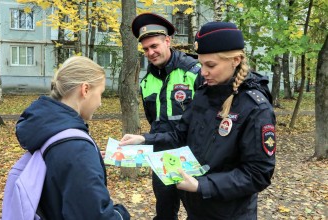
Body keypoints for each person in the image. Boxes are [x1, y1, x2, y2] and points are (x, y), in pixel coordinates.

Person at [120, 21, 276, 219]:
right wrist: (144, 139)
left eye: (210, 65)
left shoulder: (254, 107)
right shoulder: (204, 93)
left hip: (229, 213)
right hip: (196, 209)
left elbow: (258, 174)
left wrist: (201, 185)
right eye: (201, 64)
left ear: (235, 60)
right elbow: (180, 135)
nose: (202, 72)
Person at [15, 56, 130, 220]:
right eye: (101, 93)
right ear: (85, 89)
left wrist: (90, 162)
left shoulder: (50, 128)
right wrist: (121, 213)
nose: (100, 103)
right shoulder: (76, 148)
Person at [131, 12, 203, 220]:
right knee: (164, 213)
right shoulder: (146, 82)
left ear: (168, 41)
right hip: (162, 158)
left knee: (198, 212)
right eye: (145, 49)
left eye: (154, 46)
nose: (150, 53)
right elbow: (154, 123)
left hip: (193, 158)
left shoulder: (193, 72)